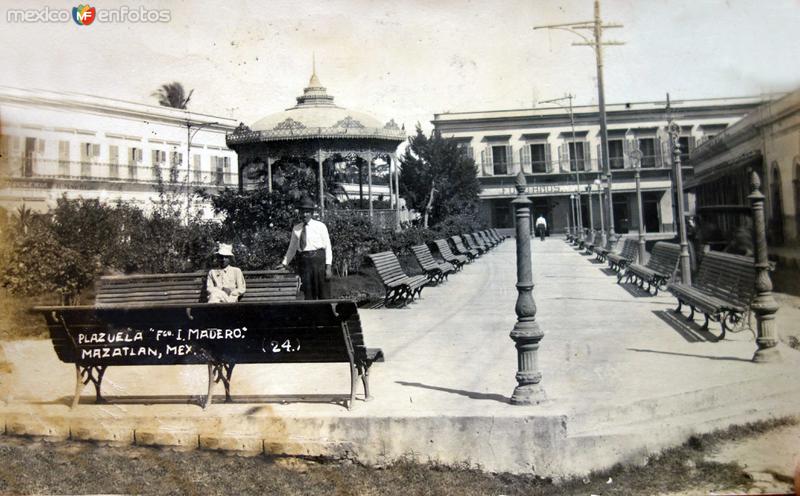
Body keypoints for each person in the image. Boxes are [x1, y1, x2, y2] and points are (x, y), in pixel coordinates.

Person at [278, 197, 332, 300]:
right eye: (303, 211)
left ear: (311, 213)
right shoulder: (296, 228)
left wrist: (328, 267)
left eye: (307, 212)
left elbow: (328, 247)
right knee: (308, 293)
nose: (304, 214)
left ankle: (326, 315)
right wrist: (284, 263)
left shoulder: (320, 226)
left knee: (324, 294)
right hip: (305, 263)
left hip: (319, 261)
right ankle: (311, 315)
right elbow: (292, 248)